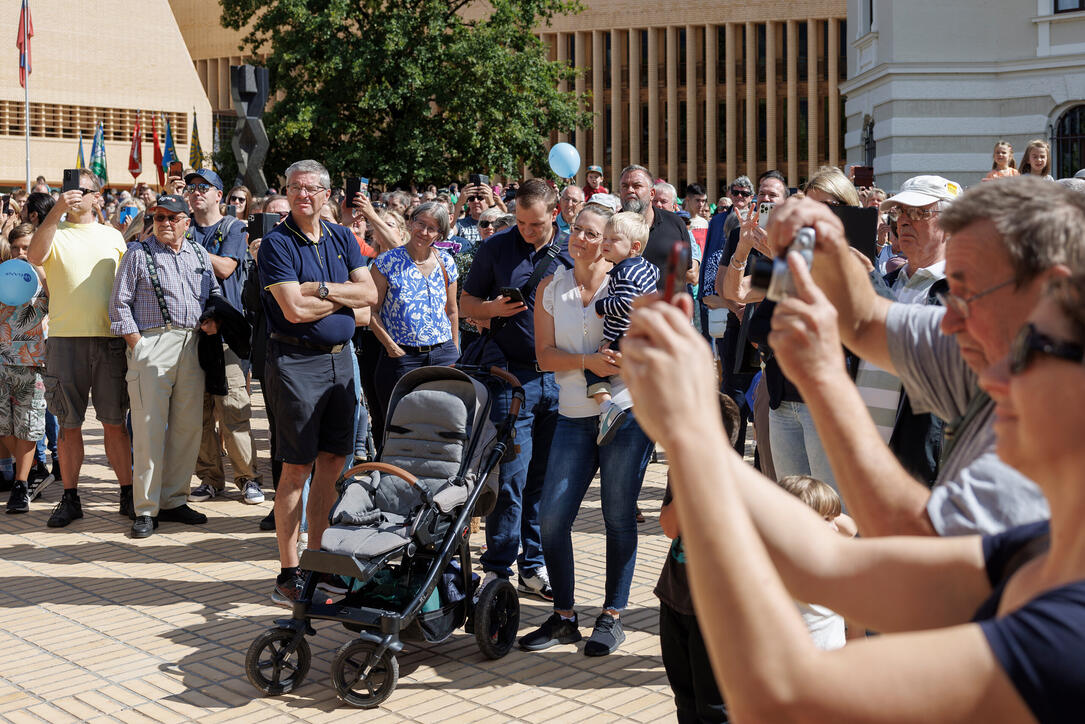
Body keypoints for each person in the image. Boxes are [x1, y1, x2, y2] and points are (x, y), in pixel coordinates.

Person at [621, 253, 1085, 723]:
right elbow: (835, 564)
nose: (996, 377)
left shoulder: (1069, 627)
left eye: (1038, 355)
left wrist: (690, 430)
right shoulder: (1049, 545)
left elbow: (783, 696)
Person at [754, 176, 1067, 537]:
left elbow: (925, 561)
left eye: (917, 213)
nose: (903, 221)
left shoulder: (1033, 424)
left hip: (846, 432)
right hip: (789, 402)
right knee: (802, 517)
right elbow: (760, 310)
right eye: (899, 212)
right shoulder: (887, 277)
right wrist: (751, 254)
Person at [519, 203, 654, 657]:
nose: (578, 237)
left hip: (627, 412)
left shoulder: (628, 283)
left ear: (609, 242)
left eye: (590, 232)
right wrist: (587, 362)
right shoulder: (549, 288)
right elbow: (543, 357)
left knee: (618, 517)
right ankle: (563, 617)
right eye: (575, 228)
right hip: (574, 415)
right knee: (552, 519)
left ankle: (612, 615)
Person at [257, 159, 376, 604]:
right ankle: (289, 571)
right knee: (296, 468)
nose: (301, 195)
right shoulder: (276, 244)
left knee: (333, 463)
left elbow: (369, 298)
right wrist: (340, 297)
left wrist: (320, 289)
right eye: (294, 188)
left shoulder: (344, 237)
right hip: (295, 364)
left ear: (327, 195)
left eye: (310, 189)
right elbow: (293, 311)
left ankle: (318, 559)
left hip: (341, 364)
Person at [459, 179, 574, 601]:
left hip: (562, 379)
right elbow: (466, 302)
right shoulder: (496, 248)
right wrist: (488, 310)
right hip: (512, 379)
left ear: (555, 214)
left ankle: (534, 564)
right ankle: (497, 568)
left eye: (535, 223)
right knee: (512, 478)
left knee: (545, 480)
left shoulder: (572, 249)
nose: (527, 230)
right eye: (521, 222)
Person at [109, 195, 221, 538]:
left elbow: (213, 292)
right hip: (152, 344)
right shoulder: (137, 253)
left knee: (188, 429)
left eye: (173, 217)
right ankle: (145, 508)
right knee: (147, 429)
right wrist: (138, 347)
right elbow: (118, 305)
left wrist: (215, 319)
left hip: (192, 344)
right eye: (159, 217)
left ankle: (174, 499)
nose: (165, 223)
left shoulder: (199, 253)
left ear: (187, 222)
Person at [28, 170, 133, 528]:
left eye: (80, 192)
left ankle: (128, 493)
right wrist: (55, 210)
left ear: (97, 197)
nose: (73, 197)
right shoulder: (53, 232)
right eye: (67, 191)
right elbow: (34, 256)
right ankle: (70, 498)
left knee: (115, 424)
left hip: (109, 340)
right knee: (69, 425)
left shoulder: (113, 236)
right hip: (64, 340)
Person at [182, 169, 263, 506]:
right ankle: (211, 479)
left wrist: (180, 247)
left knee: (233, 410)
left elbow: (226, 268)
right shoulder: (180, 226)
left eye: (205, 187)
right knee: (197, 414)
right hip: (189, 333)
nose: (196, 191)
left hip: (226, 333)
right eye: (192, 186)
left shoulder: (233, 228)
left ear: (220, 195)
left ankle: (248, 478)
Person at [369, 201, 460, 425]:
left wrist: (455, 350)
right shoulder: (386, 262)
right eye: (421, 223)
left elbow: (452, 310)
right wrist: (391, 347)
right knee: (397, 427)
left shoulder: (446, 261)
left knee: (441, 425)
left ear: (440, 234)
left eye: (432, 228)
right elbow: (370, 310)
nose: (424, 231)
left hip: (442, 355)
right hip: (402, 358)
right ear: (411, 223)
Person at [586, 212, 658, 445]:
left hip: (626, 336)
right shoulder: (645, 267)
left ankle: (607, 408)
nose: (605, 243)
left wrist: (601, 305)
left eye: (613, 240)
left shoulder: (625, 272)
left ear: (634, 247)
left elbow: (627, 304)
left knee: (592, 366)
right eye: (604, 238)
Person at [2, 226, 50, 514]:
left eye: (26, 248)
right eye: (16, 247)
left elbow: (55, 300)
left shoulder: (44, 282)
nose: (21, 253)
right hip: (0, 364)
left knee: (29, 426)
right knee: (4, 427)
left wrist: (38, 268)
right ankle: (33, 470)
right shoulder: (1, 277)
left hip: (31, 365)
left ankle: (21, 486)